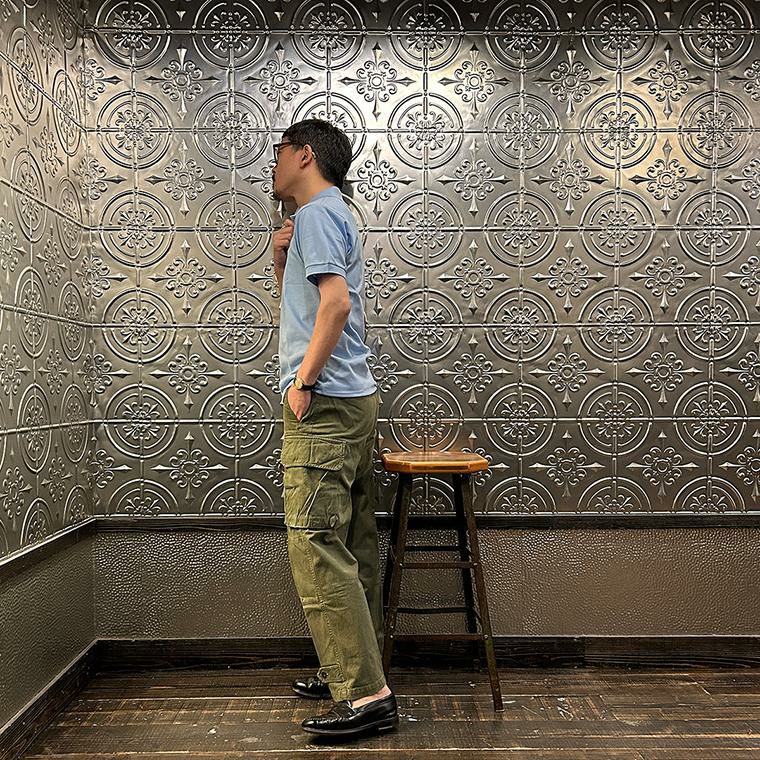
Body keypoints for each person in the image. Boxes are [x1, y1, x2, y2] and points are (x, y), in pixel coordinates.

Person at [270, 118, 399, 739]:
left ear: (304, 155)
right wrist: (281, 259)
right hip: (354, 399)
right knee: (352, 542)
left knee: (316, 543)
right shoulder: (332, 214)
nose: (272, 165)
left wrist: (303, 382)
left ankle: (365, 694)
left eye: (279, 153)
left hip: (324, 404)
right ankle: (351, 669)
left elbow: (336, 304)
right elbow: (306, 307)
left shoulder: (319, 213)